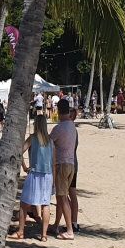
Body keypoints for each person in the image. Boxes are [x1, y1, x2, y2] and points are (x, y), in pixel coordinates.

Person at [11, 115, 54, 241]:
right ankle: (44, 235)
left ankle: (20, 231)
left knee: (24, 203)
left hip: (35, 174)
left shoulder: (32, 138)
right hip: (48, 175)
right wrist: (54, 180)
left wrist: (24, 167)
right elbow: (54, 161)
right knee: (45, 204)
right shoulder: (50, 141)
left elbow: (19, 152)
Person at [49, 100, 77, 240]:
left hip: (62, 165)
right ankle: (56, 225)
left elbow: (47, 143)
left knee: (63, 198)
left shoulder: (59, 128)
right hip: (71, 164)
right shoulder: (72, 126)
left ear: (59, 111)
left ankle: (70, 230)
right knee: (61, 197)